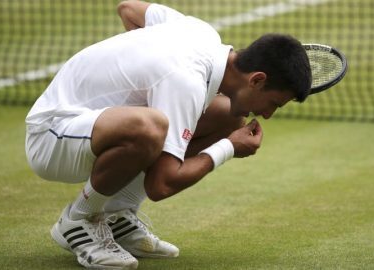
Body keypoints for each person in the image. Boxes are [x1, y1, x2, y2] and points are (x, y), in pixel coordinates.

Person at [25, 0, 312, 269]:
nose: (268, 114)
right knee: (149, 127)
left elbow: (129, 9)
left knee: (228, 116)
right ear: (257, 79)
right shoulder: (186, 82)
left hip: (93, 127)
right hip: (52, 135)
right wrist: (228, 147)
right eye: (274, 103)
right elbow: (161, 185)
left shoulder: (201, 33)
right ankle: (79, 218)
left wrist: (137, 73)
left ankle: (117, 213)